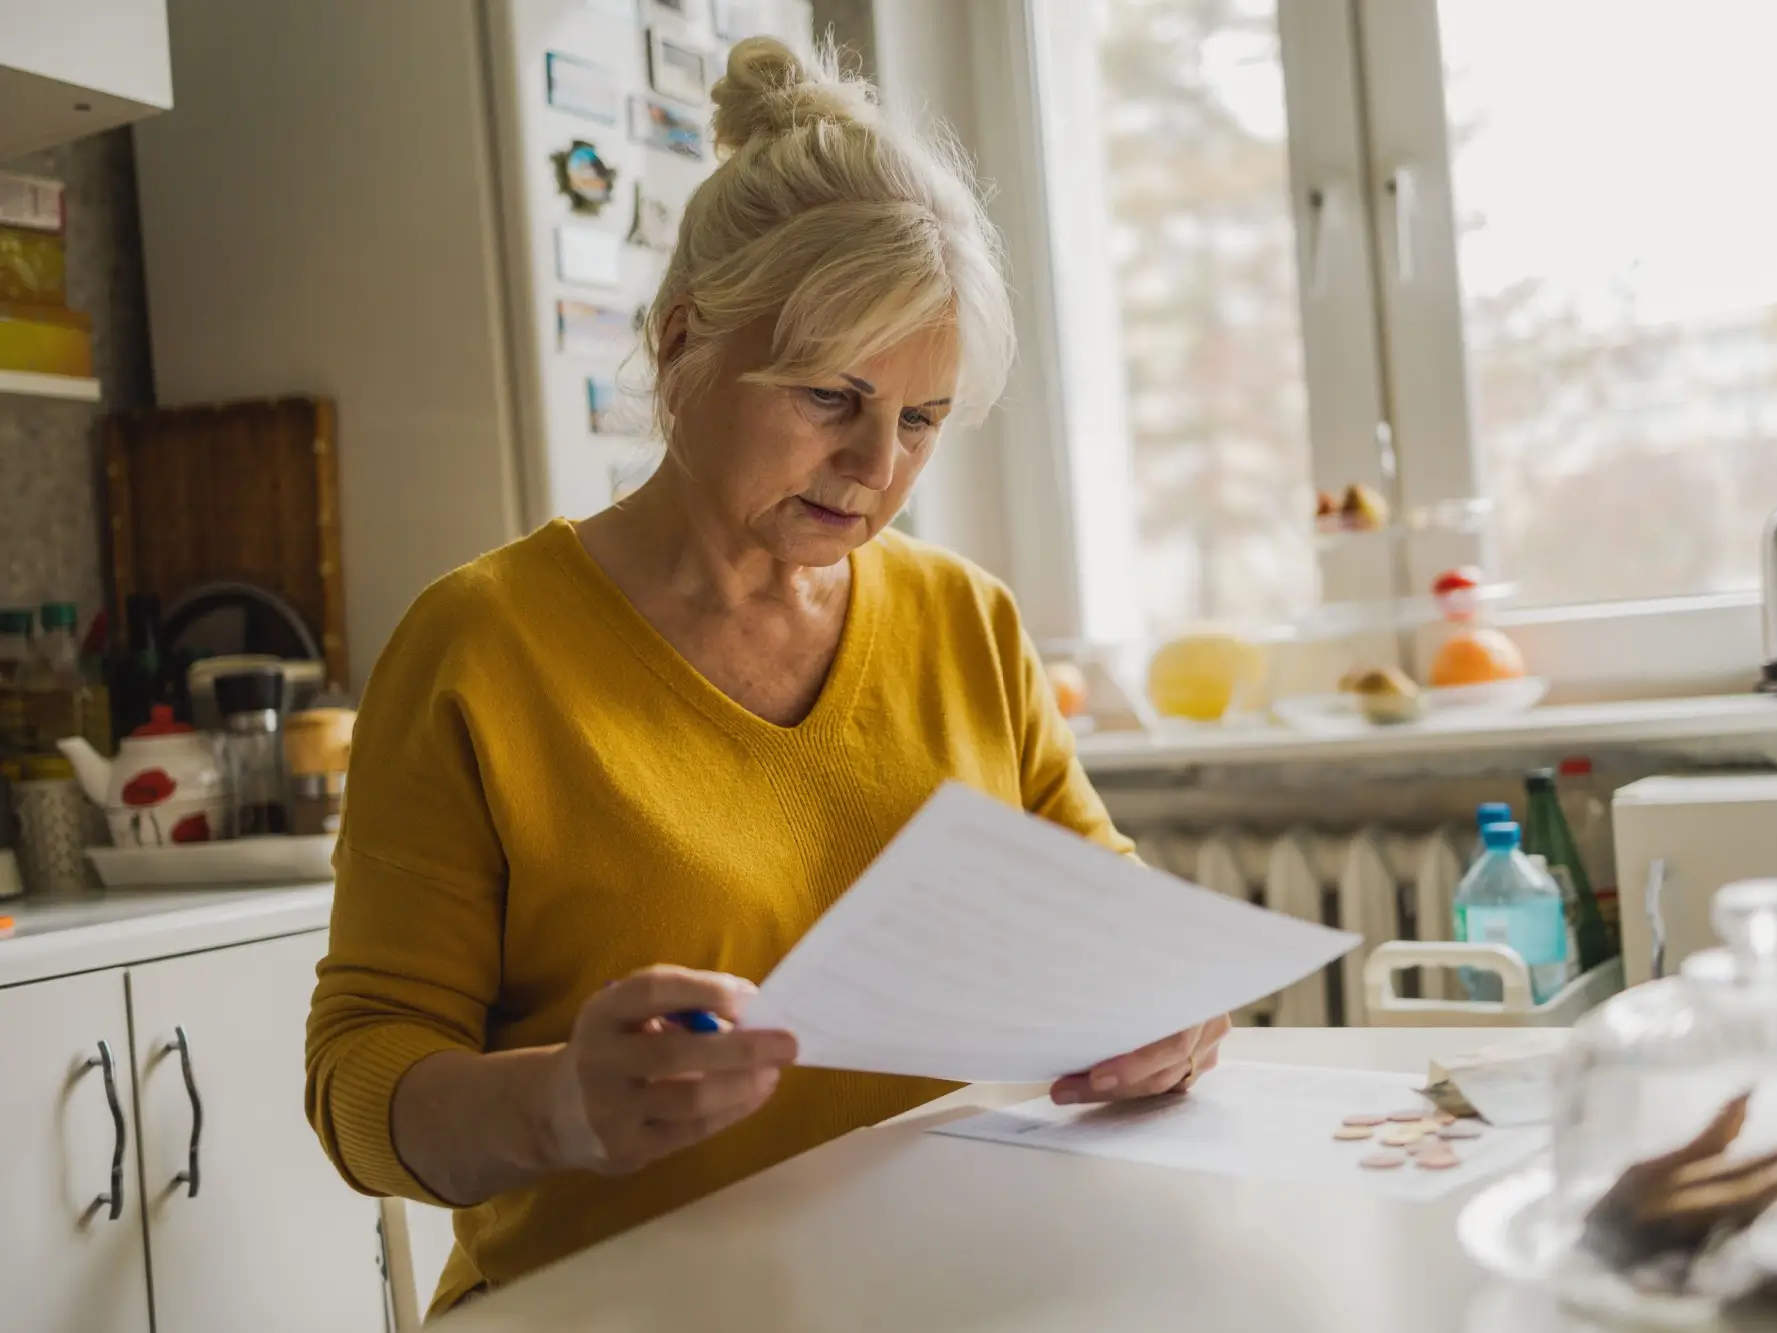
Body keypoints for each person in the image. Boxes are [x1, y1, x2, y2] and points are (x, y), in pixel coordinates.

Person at [304, 37, 1228, 1313]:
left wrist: (1166, 1011)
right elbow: (363, 1079)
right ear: (682, 340)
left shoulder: (964, 619)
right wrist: (559, 1104)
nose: (874, 469)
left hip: (934, 1288)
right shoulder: (482, 646)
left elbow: (1105, 921)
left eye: (919, 419)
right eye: (827, 397)